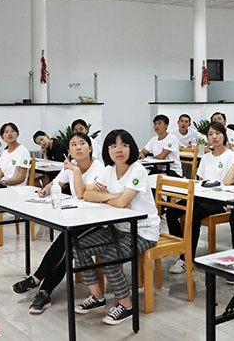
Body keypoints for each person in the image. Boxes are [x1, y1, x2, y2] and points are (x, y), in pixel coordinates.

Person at [10, 132, 105, 313]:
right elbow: (57, 183)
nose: (78, 147)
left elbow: (82, 194)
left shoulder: (99, 168)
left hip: (97, 220)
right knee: (66, 245)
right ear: (69, 150)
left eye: (82, 143)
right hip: (77, 217)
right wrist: (45, 190)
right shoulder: (71, 165)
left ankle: (37, 279)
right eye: (73, 144)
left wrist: (75, 171)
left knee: (66, 241)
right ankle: (44, 291)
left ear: (90, 148)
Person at [74, 129, 159, 325]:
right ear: (107, 150)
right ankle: (97, 297)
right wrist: (112, 196)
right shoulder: (108, 170)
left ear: (131, 148)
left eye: (124, 145)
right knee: (77, 247)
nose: (118, 150)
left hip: (143, 231)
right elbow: (87, 194)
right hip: (118, 229)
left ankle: (126, 305)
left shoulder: (137, 170)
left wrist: (106, 198)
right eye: (113, 146)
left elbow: (122, 203)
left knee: (109, 257)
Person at [167, 121, 234, 274]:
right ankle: (182, 246)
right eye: (211, 134)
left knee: (194, 215)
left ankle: (186, 259)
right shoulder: (206, 157)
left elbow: (232, 183)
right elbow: (200, 181)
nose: (214, 137)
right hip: (201, 196)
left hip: (220, 200)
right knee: (171, 211)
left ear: (224, 135)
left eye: (218, 133)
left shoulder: (231, 156)